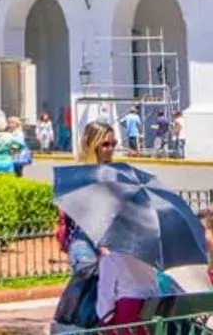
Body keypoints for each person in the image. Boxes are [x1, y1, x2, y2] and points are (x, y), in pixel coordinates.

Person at [57, 122, 162, 332]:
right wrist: (100, 244)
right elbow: (82, 214)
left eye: (113, 143)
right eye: (105, 144)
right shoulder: (80, 176)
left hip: (109, 240)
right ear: (91, 144)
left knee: (108, 292)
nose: (111, 149)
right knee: (89, 292)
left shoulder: (114, 173)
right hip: (84, 242)